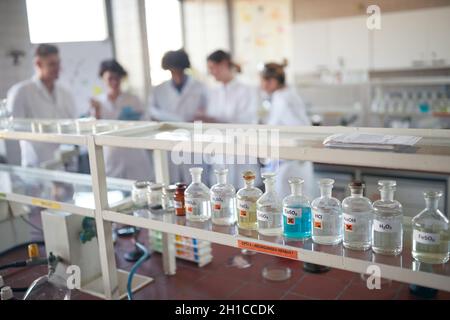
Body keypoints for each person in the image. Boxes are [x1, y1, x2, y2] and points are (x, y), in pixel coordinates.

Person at [6, 44, 77, 167]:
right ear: (38, 64)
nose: (58, 68)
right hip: (37, 166)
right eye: (52, 64)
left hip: (66, 165)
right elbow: (12, 130)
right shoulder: (21, 92)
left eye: (58, 63)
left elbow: (74, 126)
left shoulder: (66, 93)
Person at [203, 50, 261, 188]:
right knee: (221, 193)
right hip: (220, 151)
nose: (211, 72)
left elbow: (249, 120)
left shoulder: (248, 90)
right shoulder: (213, 92)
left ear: (223, 64)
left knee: (246, 194)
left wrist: (216, 120)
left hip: (242, 150)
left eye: (212, 68)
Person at [90, 59, 154, 181]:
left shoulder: (133, 99)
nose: (114, 82)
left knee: (140, 190)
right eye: (110, 78)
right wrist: (96, 112)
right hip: (112, 157)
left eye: (117, 78)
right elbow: (94, 130)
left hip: (135, 155)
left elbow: (146, 125)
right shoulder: (98, 102)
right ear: (103, 78)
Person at [260, 60, 314, 198]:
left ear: (272, 81)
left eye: (262, 81)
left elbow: (301, 129)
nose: (261, 85)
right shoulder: (282, 96)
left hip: (292, 164)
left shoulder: (284, 99)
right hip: (286, 162)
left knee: (292, 208)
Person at [149, 49, 207, 122]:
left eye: (180, 72)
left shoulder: (200, 87)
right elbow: (152, 111)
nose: (177, 77)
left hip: (193, 128)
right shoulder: (158, 89)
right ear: (169, 70)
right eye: (173, 72)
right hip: (168, 129)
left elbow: (207, 110)